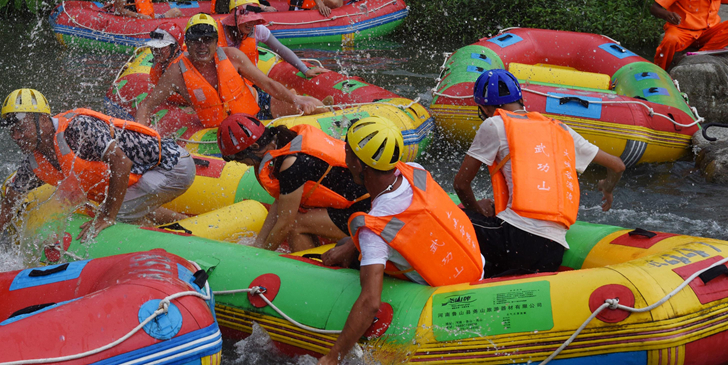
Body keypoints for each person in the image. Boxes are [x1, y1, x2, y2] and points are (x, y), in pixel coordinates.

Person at [317, 117, 483, 365]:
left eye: (347, 152)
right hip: (475, 268)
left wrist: (333, 356)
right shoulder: (415, 170)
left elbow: (371, 303)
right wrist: (353, 245)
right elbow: (402, 221)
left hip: (446, 300)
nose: (345, 158)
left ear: (359, 164)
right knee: (346, 245)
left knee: (347, 250)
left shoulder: (374, 230)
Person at [452, 69, 625, 278]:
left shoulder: (494, 124)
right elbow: (617, 165)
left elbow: (461, 185)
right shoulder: (561, 129)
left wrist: (478, 208)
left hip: (513, 239)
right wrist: (607, 187)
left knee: (447, 217)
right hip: (552, 252)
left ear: (486, 107)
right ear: (520, 99)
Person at [0, 89, 194, 243]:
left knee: (111, 214)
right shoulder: (33, 162)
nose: (16, 136)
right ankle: (190, 223)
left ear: (43, 120)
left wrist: (107, 216)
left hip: (171, 166)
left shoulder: (77, 130)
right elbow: (7, 204)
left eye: (21, 128)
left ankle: (170, 246)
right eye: (11, 131)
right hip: (148, 176)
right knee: (105, 203)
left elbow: (122, 162)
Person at [135, 14, 324, 129]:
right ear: (187, 44)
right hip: (218, 127)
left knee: (312, 107)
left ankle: (315, 102)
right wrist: (142, 136)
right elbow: (146, 106)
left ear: (216, 41)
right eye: (195, 40)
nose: (202, 46)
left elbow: (267, 84)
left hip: (258, 108)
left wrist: (295, 100)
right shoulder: (176, 73)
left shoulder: (232, 56)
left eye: (207, 39)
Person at [217, 113, 370, 251]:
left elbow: (285, 224)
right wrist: (258, 245)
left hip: (367, 212)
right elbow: (280, 202)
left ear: (255, 147)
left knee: (295, 224)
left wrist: (261, 257)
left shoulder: (292, 164)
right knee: (291, 215)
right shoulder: (288, 139)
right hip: (358, 204)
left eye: (239, 158)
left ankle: (312, 274)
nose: (242, 164)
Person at [220, 0, 328, 79]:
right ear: (234, 18)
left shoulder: (259, 30)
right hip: (225, 81)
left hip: (248, 82)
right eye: (246, 19)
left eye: (253, 19)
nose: (251, 23)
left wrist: (305, 70)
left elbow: (281, 49)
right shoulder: (217, 31)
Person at [145, 27, 188, 105]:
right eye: (153, 47)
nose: (156, 51)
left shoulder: (186, 67)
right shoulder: (159, 63)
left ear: (175, 48)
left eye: (161, 48)